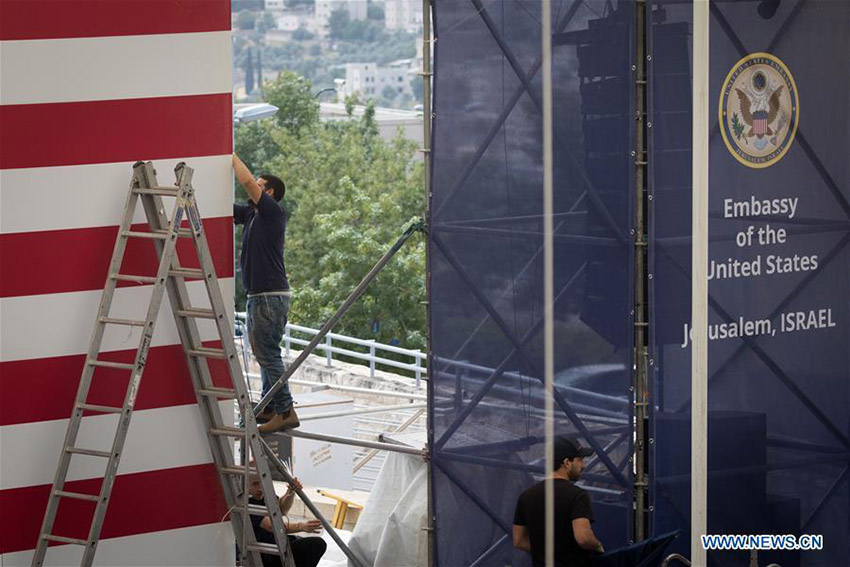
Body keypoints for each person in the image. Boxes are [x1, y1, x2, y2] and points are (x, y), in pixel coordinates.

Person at [233, 154, 298, 434]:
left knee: (267, 353)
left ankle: (285, 410)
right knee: (265, 353)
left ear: (269, 193)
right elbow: (223, 207)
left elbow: (247, 182)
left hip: (269, 296)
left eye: (260, 186)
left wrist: (229, 155)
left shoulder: (272, 213)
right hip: (260, 296)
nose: (254, 187)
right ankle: (270, 405)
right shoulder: (251, 215)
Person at [513, 437, 604, 567]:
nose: (583, 465)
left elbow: (519, 541)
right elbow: (583, 538)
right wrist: (597, 545)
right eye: (580, 460)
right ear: (567, 463)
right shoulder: (578, 495)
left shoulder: (526, 496)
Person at [246, 474, 327, 567]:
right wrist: (300, 526)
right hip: (266, 553)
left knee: (309, 545)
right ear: (245, 485)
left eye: (262, 483)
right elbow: (272, 526)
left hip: (278, 545)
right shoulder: (247, 504)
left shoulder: (265, 496)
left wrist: (291, 491)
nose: (260, 488)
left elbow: (281, 509)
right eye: (255, 484)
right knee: (316, 544)